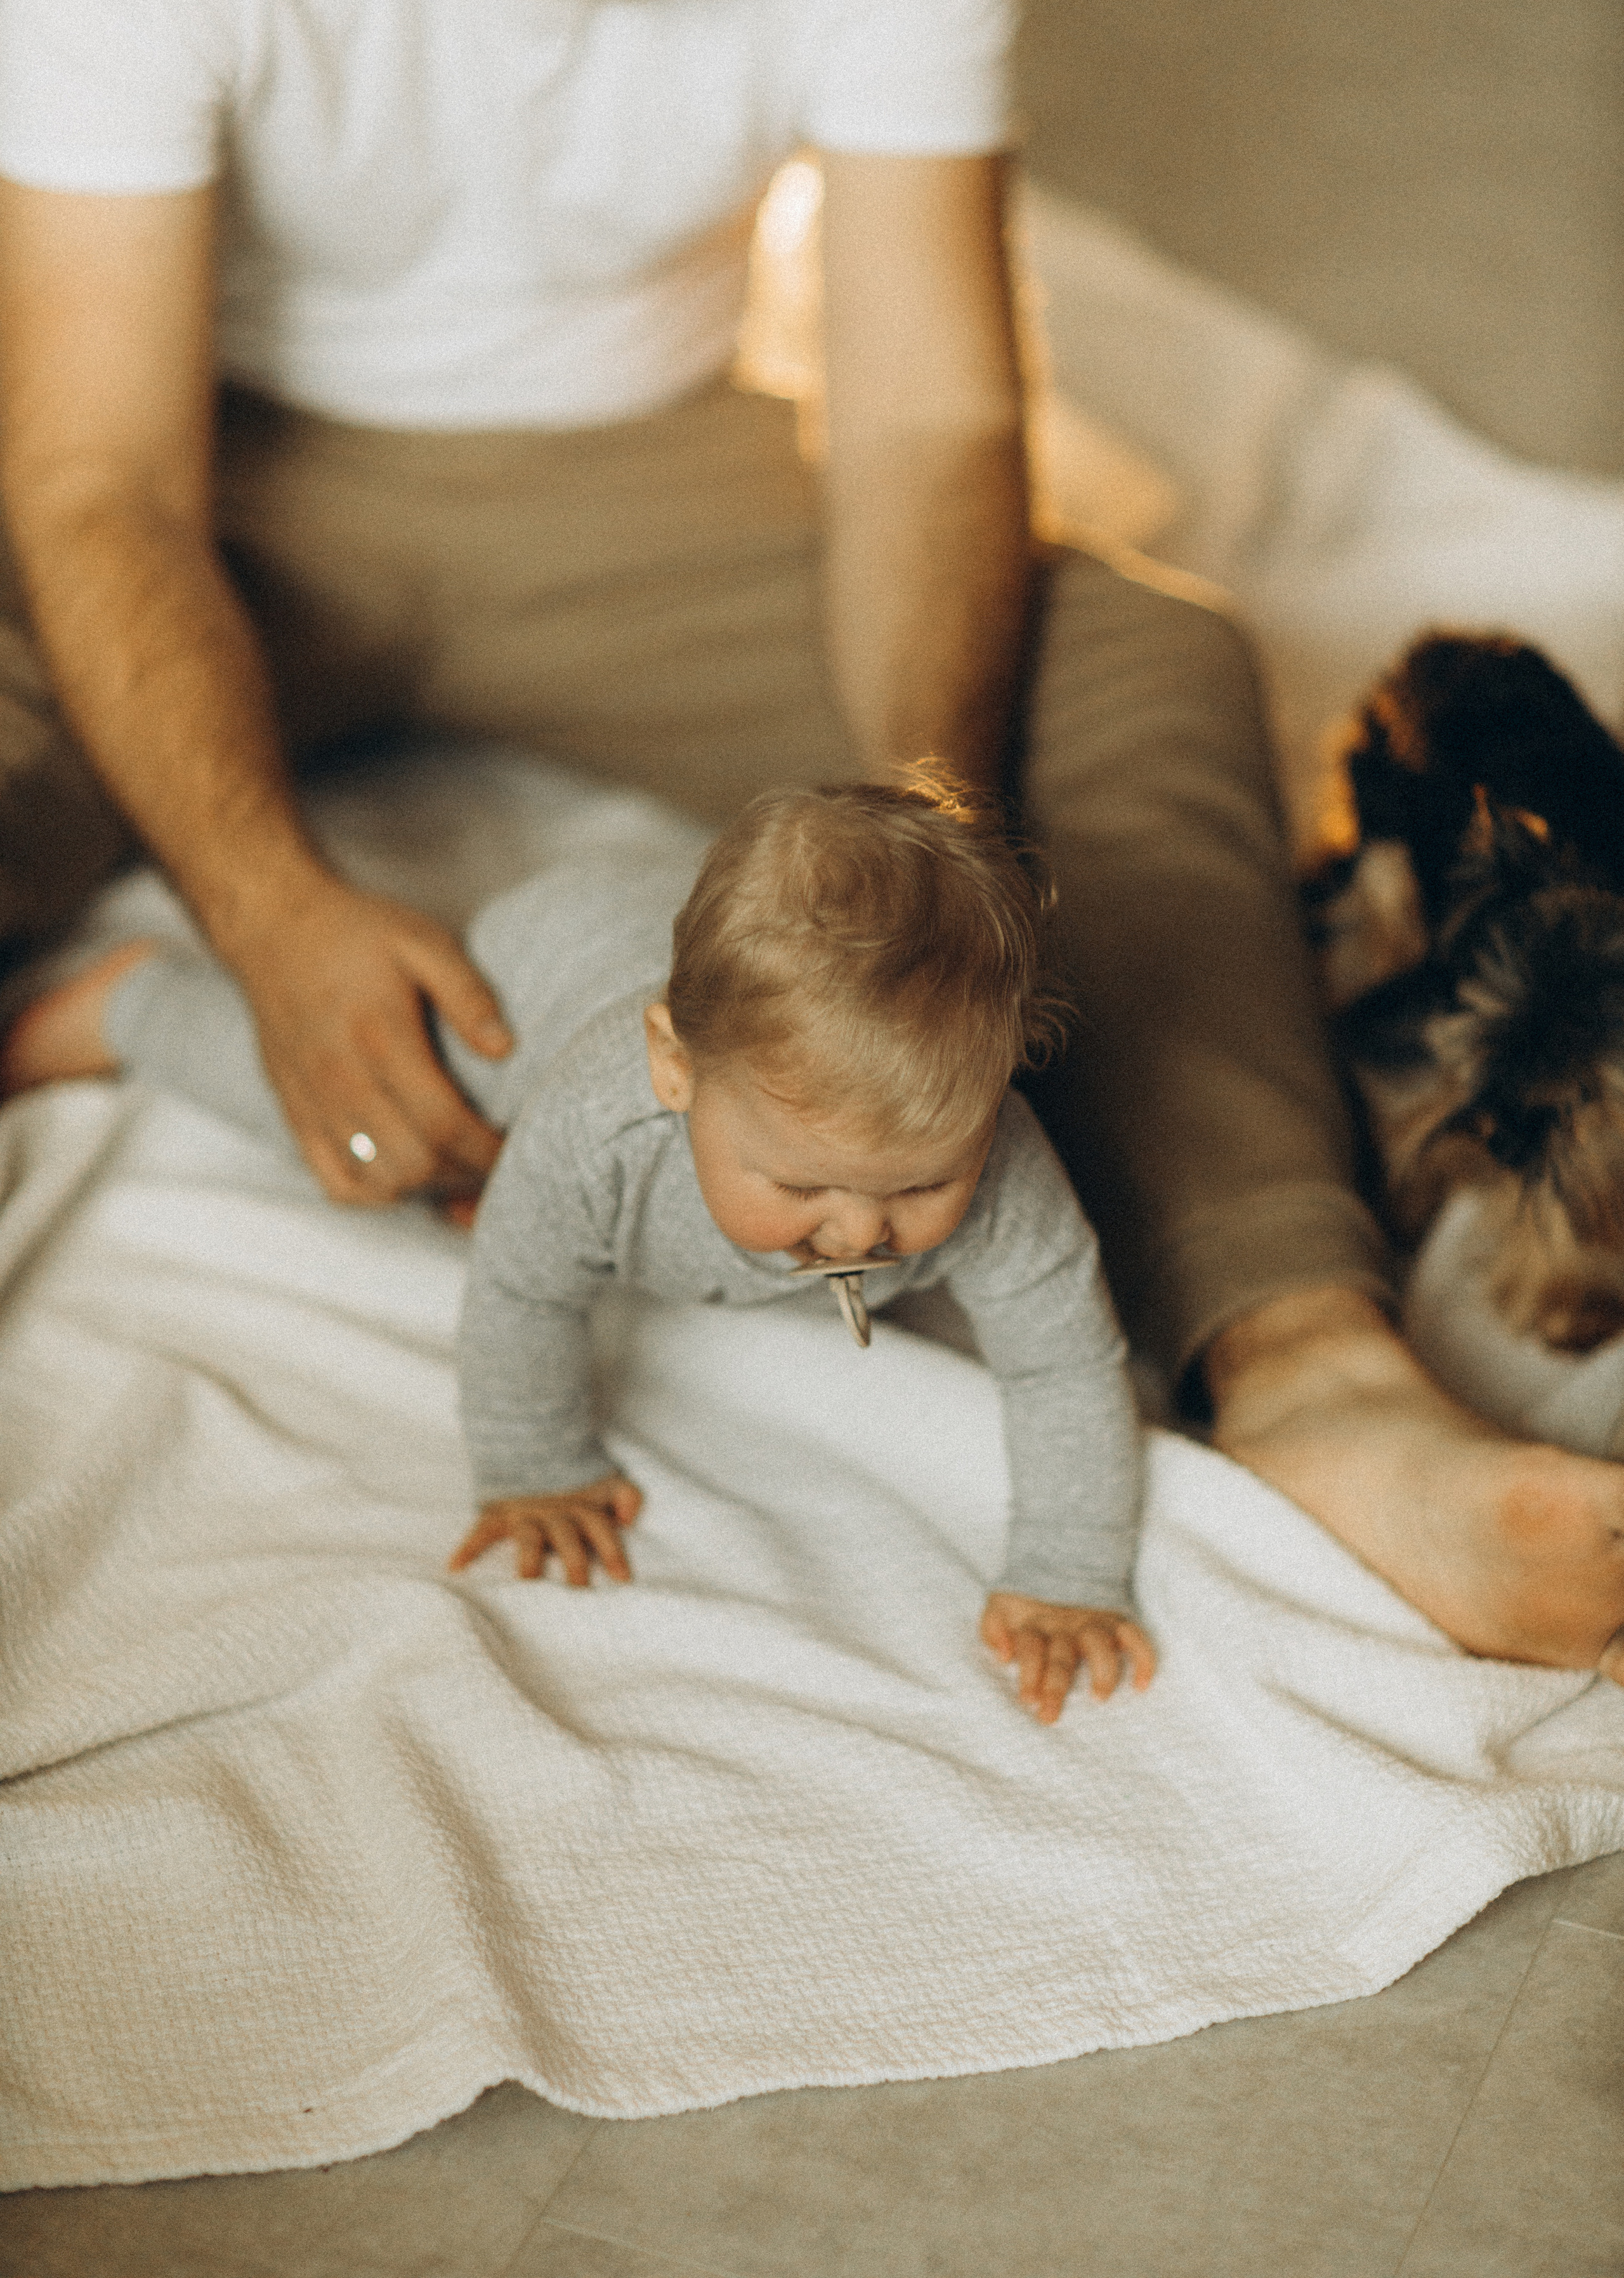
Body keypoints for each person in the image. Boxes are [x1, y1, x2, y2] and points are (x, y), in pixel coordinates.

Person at [0, 0, 1619, 1682]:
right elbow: (99, 482)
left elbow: (928, 427)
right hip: (214, 467)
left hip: (654, 475)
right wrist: (266, 916)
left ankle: (1307, 1365)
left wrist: (937, 855)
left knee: (1140, 669)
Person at [4, 780, 1159, 1724]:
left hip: (676, 929)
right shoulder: (598, 1123)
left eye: (921, 1185)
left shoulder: (1003, 1158)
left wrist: (1066, 1568)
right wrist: (536, 1458)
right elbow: (520, 1289)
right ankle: (135, 1007)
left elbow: (1062, 1361)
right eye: (802, 1185)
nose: (860, 1235)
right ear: (675, 1071)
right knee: (390, 1129)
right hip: (548, 965)